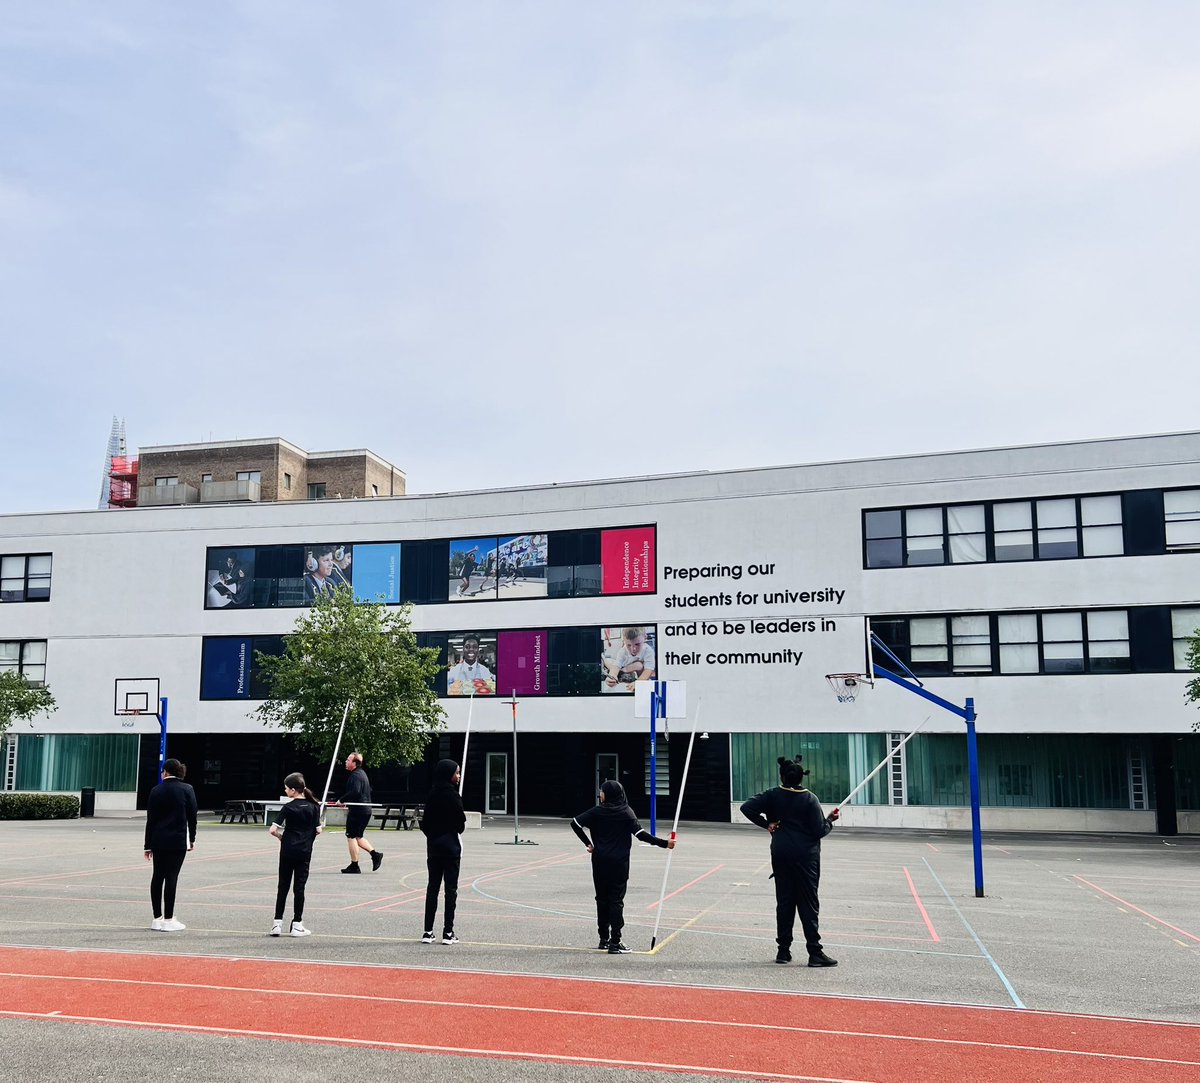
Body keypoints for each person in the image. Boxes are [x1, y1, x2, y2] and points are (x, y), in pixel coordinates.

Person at [740, 754, 840, 967]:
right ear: (801, 778)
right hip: (805, 857)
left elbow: (746, 807)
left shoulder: (773, 795)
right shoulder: (809, 799)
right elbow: (818, 831)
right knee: (808, 902)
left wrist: (766, 823)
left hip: (781, 853)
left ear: (782, 775)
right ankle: (814, 952)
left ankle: (783, 951)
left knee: (785, 901)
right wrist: (830, 820)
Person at [570, 779, 675, 954]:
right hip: (619, 863)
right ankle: (614, 942)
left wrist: (588, 843)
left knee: (602, 899)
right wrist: (665, 843)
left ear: (608, 794)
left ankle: (604, 939)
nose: (600, 794)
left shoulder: (597, 812)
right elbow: (641, 835)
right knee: (615, 901)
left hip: (600, 861)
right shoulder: (626, 812)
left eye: (601, 791)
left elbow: (575, 823)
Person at [144, 758, 198, 932]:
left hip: (158, 839)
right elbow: (192, 816)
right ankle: (168, 919)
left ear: (165, 772)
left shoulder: (155, 790)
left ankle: (157, 918)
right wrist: (192, 839)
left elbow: (150, 819)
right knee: (172, 877)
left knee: (157, 876)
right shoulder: (187, 789)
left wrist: (147, 845)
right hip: (178, 839)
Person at [268, 772, 323, 936]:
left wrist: (281, 838)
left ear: (293, 790)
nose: (285, 791)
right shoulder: (314, 806)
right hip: (304, 852)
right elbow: (318, 830)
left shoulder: (288, 807)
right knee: (299, 888)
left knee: (283, 886)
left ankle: (277, 923)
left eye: (286, 789)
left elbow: (272, 830)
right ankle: (297, 924)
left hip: (287, 851)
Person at [419, 758, 466, 945]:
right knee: (451, 890)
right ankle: (448, 931)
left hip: (434, 848)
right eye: (457, 772)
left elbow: (425, 823)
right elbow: (460, 824)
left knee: (432, 888)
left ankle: (428, 931)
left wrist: (434, 835)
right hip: (451, 848)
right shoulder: (453, 796)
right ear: (449, 774)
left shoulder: (432, 794)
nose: (459, 776)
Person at [339, 752, 382, 873]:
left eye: (348, 760)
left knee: (351, 836)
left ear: (354, 763)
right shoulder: (361, 774)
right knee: (358, 836)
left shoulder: (356, 776)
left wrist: (341, 800)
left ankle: (354, 865)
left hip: (358, 811)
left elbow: (356, 792)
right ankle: (375, 855)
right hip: (364, 810)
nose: (346, 761)